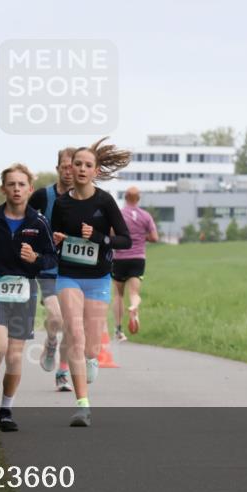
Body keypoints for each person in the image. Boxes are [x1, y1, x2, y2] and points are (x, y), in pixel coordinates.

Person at [0, 164, 56, 432]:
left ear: (30, 189)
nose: (16, 189)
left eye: (21, 185)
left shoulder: (38, 222)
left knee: (15, 356)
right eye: (11, 184)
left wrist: (36, 258)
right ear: (3, 188)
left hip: (24, 293)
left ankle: (6, 409)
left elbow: (52, 257)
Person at [51, 138, 132, 427]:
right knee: (74, 332)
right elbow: (53, 237)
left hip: (98, 278)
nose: (82, 169)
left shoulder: (105, 201)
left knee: (91, 346)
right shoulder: (61, 203)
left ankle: (92, 358)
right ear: (70, 169)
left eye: (88, 165)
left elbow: (125, 239)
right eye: (78, 164)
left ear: (95, 171)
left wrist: (98, 237)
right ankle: (82, 404)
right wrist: (56, 239)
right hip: (69, 273)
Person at [28, 147, 76, 392]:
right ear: (58, 168)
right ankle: (50, 342)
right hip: (47, 267)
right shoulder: (42, 197)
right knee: (56, 318)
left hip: (74, 269)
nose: (69, 172)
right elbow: (25, 224)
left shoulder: (85, 198)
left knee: (70, 322)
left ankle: (62, 372)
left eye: (73, 166)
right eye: (65, 167)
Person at [111, 187, 159, 340]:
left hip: (119, 258)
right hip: (138, 258)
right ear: (138, 199)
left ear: (125, 198)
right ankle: (134, 307)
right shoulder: (145, 216)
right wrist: (142, 237)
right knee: (134, 293)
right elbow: (155, 237)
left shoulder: (119, 214)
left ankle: (118, 330)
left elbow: (111, 233)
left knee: (118, 294)